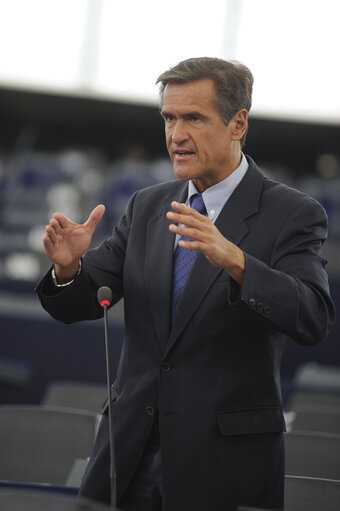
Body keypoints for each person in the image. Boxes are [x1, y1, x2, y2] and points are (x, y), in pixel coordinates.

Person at [36, 57, 335, 511]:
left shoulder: (293, 213)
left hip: (223, 464)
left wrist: (235, 260)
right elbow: (82, 301)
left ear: (238, 123)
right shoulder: (146, 206)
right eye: (169, 118)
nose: (176, 135)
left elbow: (312, 317)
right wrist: (68, 269)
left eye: (194, 118)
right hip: (128, 452)